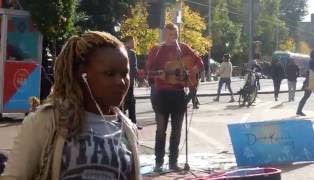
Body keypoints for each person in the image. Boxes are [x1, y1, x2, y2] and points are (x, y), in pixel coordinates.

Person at [2, 31, 141, 180]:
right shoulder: (47, 121)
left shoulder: (128, 129)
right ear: (82, 74)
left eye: (124, 73)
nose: (120, 82)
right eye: (109, 73)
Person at [146, 23, 203, 172]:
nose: (174, 37)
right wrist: (159, 74)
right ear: (165, 34)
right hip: (161, 94)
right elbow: (148, 72)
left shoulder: (183, 48)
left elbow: (199, 62)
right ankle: (158, 162)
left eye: (176, 34)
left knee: (176, 130)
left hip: (178, 94)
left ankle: (173, 162)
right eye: (171, 35)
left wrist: (192, 71)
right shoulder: (156, 50)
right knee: (160, 130)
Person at [123, 36, 142, 130]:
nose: (134, 43)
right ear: (128, 42)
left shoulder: (120, 51)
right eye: (133, 41)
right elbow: (134, 69)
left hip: (121, 82)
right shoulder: (131, 53)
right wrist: (142, 79)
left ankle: (124, 121)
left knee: (125, 102)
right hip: (129, 82)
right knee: (130, 103)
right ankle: (132, 123)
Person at [297, 49, 314, 117]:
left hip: (308, 82)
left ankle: (299, 110)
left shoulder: (309, 61)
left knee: (306, 96)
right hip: (313, 82)